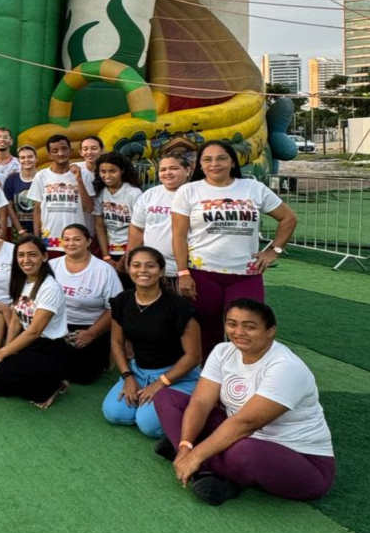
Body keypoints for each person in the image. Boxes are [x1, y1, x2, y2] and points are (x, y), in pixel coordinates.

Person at [155, 299, 335, 505]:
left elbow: (247, 423)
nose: (239, 332)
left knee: (245, 451)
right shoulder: (223, 351)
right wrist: (186, 446)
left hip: (301, 460)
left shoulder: (286, 367)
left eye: (249, 326)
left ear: (270, 331)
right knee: (168, 398)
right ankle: (202, 469)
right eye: (232, 324)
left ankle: (202, 462)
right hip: (239, 436)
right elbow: (201, 402)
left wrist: (196, 454)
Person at [171, 140, 298, 357]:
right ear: (199, 165)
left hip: (246, 273)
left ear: (232, 161)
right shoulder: (189, 191)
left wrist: (273, 251)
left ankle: (247, 377)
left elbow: (288, 218)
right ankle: (209, 380)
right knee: (206, 330)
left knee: (248, 328)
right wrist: (183, 272)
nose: (215, 164)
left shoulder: (253, 188)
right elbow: (179, 236)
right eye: (208, 159)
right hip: (202, 273)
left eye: (221, 158)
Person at [102, 246, 201, 438]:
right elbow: (116, 342)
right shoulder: (123, 301)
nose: (143, 271)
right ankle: (146, 403)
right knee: (114, 413)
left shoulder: (178, 307)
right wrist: (127, 377)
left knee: (149, 426)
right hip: (138, 371)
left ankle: (189, 404)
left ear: (161, 271)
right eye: (136, 265)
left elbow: (194, 356)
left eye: (150, 266)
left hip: (177, 375)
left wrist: (159, 384)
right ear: (129, 268)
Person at [0, 235, 71, 408]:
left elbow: (34, 331)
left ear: (44, 257)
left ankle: (54, 383)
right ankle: (47, 379)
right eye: (21, 255)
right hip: (29, 345)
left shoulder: (49, 287)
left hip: (50, 348)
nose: (26, 260)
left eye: (32, 254)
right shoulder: (22, 281)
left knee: (26, 390)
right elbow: (16, 320)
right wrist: (7, 352)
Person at [50, 224, 122, 385]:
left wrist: (91, 334)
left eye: (77, 239)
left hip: (91, 327)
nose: (71, 243)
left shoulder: (104, 270)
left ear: (88, 241)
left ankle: (106, 352)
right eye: (66, 239)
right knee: (50, 367)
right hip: (57, 325)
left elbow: (116, 308)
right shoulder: (52, 265)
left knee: (82, 377)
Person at [30, 133, 94, 257]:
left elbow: (89, 208)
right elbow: (37, 210)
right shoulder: (41, 176)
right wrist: (36, 237)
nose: (60, 153)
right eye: (55, 150)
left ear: (71, 151)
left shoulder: (83, 175)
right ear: (49, 155)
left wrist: (79, 179)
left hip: (76, 240)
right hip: (50, 240)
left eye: (64, 149)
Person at [129, 153, 191, 278]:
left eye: (174, 168)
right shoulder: (149, 195)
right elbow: (137, 228)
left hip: (189, 270)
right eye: (163, 169)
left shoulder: (196, 194)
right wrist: (129, 258)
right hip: (152, 270)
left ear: (188, 170)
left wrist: (184, 272)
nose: (167, 173)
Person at [93, 152, 143, 269]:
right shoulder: (100, 193)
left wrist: (126, 257)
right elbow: (99, 226)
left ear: (122, 171)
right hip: (110, 250)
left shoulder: (134, 193)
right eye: (103, 171)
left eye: (112, 171)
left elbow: (138, 227)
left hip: (132, 249)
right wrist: (106, 256)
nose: (107, 175)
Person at [3, 146, 39, 236]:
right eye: (23, 157)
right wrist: (20, 231)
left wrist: (37, 234)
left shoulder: (42, 177)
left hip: (41, 229)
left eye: (30, 156)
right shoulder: (12, 179)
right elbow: (9, 208)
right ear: (18, 160)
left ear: (36, 158)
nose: (26, 160)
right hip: (18, 231)